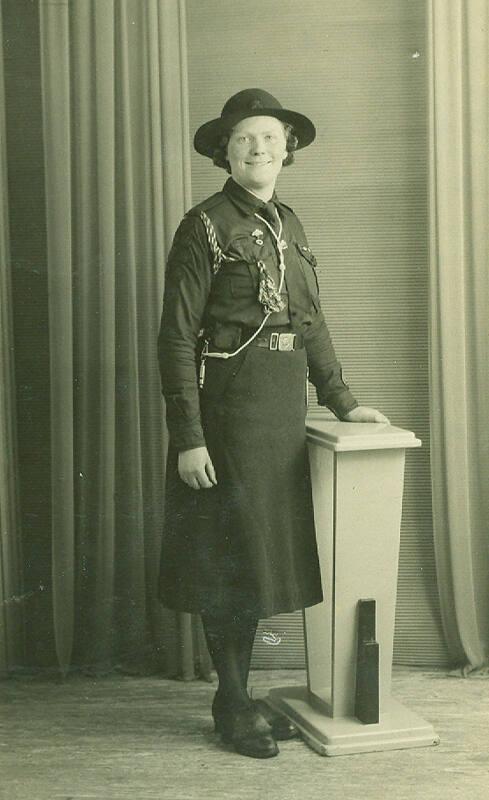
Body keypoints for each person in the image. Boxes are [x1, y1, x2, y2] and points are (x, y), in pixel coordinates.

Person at [157, 89, 388, 759]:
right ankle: (231, 703)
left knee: (255, 564)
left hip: (280, 416)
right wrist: (189, 435)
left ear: (287, 148)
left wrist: (341, 400)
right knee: (228, 561)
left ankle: (239, 692)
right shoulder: (201, 225)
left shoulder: (289, 223)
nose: (259, 149)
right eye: (244, 140)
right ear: (224, 154)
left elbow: (308, 324)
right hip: (225, 416)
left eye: (269, 137)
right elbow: (175, 337)